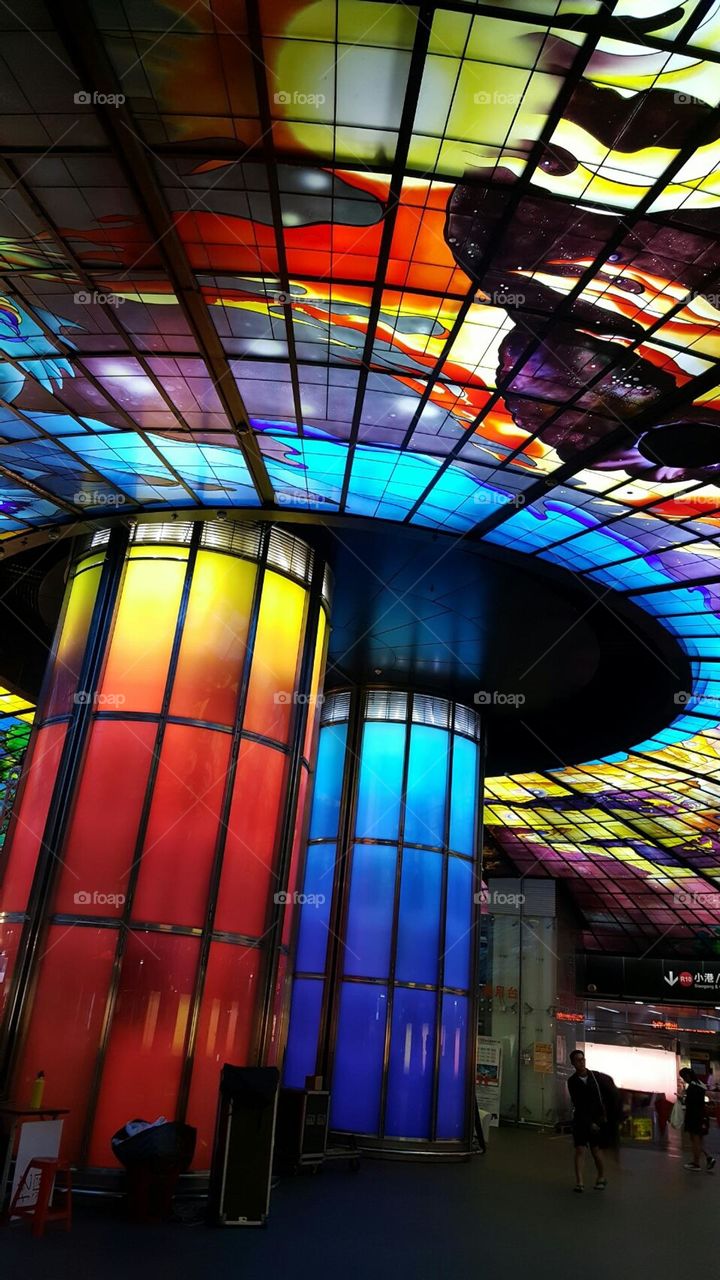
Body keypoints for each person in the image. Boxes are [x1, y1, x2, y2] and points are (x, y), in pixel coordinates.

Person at [567, 1049, 621, 1193]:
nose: (582, 1061)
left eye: (583, 1059)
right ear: (573, 1063)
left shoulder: (595, 1077)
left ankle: (601, 1177)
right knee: (580, 1149)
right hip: (581, 1120)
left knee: (596, 1151)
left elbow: (607, 1096)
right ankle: (579, 1182)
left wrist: (602, 1119)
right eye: (578, 1060)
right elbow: (577, 1102)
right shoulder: (572, 1081)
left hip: (596, 1120)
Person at [679, 1067, 716, 1172]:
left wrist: (682, 1098)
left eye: (683, 1077)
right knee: (699, 1139)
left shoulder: (692, 1087)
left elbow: (690, 1102)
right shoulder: (700, 1084)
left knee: (695, 1139)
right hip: (702, 1115)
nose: (684, 1080)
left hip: (694, 1116)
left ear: (687, 1076)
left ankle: (696, 1163)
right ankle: (709, 1158)